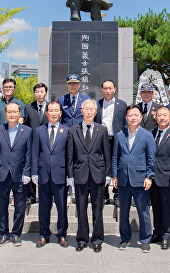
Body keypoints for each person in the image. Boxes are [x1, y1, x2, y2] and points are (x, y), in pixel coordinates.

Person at [67, 99, 111, 252]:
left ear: (95, 111)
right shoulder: (73, 130)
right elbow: (70, 155)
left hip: (98, 174)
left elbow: (107, 154)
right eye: (86, 109)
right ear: (82, 111)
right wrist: (70, 175)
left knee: (98, 208)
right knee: (81, 207)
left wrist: (108, 174)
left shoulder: (102, 129)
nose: (89, 111)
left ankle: (97, 239)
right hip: (80, 174)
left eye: (92, 109)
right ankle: (82, 239)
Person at [112, 104, 156, 253]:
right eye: (130, 115)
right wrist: (115, 175)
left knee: (143, 210)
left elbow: (151, 158)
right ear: (126, 118)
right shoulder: (120, 135)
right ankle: (125, 238)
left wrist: (149, 177)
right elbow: (115, 157)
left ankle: (145, 239)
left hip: (141, 178)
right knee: (123, 210)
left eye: (136, 115)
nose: (133, 117)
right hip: (123, 179)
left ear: (141, 117)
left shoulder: (147, 135)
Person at [0, 102, 32, 247]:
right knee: (2, 207)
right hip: (2, 174)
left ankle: (16, 234)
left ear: (19, 113)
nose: (12, 114)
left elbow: (29, 153)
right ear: (5, 113)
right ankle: (3, 234)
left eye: (15, 112)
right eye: (9, 112)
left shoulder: (27, 131)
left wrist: (27, 172)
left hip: (20, 174)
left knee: (19, 207)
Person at [31, 101, 69, 248]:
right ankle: (43, 234)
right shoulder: (39, 131)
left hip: (60, 174)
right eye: (50, 111)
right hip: (43, 174)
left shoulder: (66, 130)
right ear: (46, 113)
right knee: (44, 207)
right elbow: (35, 152)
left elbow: (69, 154)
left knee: (61, 207)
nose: (53, 113)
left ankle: (61, 234)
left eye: (56, 111)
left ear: (60, 113)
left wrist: (69, 174)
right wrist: (34, 172)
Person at [150, 106, 170, 250]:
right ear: (155, 117)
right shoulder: (151, 133)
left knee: (167, 207)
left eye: (165, 115)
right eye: (159, 115)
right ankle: (157, 232)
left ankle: (166, 235)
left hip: (168, 177)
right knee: (156, 207)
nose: (162, 117)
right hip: (153, 178)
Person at [94, 79, 127, 205]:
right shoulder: (97, 104)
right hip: (101, 140)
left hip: (117, 139)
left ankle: (117, 194)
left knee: (118, 165)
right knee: (102, 166)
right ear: (102, 90)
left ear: (115, 89)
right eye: (105, 88)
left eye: (110, 88)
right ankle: (104, 194)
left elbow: (125, 123)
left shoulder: (122, 105)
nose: (108, 90)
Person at [23, 82, 50, 204]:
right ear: (34, 93)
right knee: (32, 166)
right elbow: (26, 125)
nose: (40, 94)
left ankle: (49, 194)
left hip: (48, 143)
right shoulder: (28, 107)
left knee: (46, 167)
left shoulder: (51, 107)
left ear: (46, 92)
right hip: (33, 142)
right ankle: (31, 196)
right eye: (37, 92)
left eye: (42, 91)